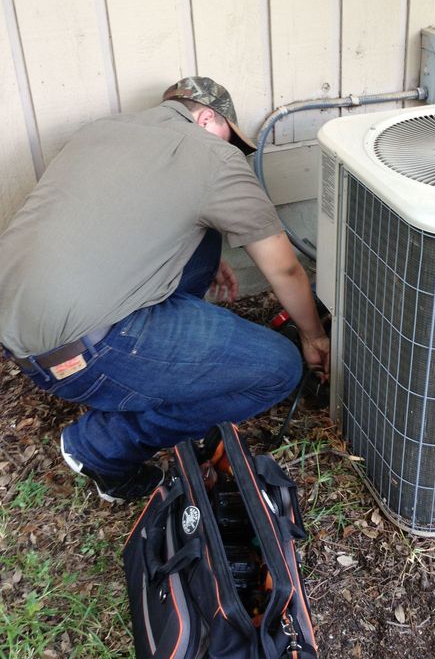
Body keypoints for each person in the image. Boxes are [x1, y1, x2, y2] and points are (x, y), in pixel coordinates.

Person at [0, 77, 330, 502]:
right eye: (231, 138)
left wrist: (187, 258)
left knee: (204, 237)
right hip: (80, 355)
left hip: (19, 330)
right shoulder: (214, 157)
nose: (233, 150)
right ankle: (101, 447)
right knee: (279, 369)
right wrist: (313, 335)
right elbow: (285, 269)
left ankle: (150, 370)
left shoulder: (102, 130)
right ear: (208, 117)